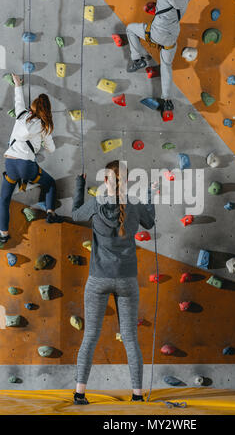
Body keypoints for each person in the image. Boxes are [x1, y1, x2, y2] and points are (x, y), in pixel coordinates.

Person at [72, 161, 155, 405]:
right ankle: (138, 395)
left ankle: (79, 393)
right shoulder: (135, 205)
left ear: (105, 180)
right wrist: (150, 194)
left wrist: (80, 185)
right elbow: (149, 222)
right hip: (127, 280)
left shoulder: (96, 205)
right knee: (130, 339)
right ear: (126, 181)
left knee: (90, 337)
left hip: (98, 279)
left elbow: (76, 214)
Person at [126, 0, 204, 113]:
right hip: (171, 38)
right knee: (166, 65)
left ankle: (137, 59)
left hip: (155, 33)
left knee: (130, 29)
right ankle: (167, 100)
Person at [0, 74, 63, 243]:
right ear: (47, 111)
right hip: (27, 166)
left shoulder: (21, 115)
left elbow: (18, 100)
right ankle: (50, 212)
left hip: (11, 163)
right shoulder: (44, 125)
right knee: (49, 183)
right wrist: (44, 140)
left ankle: (3, 234)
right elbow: (51, 149)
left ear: (33, 107)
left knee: (4, 199)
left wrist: (18, 84)